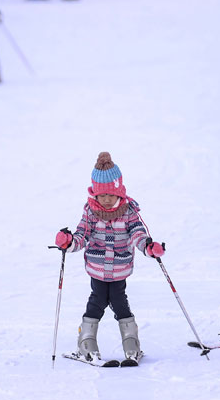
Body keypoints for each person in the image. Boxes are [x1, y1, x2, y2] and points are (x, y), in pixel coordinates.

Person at [54, 152, 165, 363]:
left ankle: (131, 346)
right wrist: (68, 243)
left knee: (120, 303)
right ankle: (87, 345)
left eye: (110, 195)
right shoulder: (90, 212)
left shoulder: (128, 211)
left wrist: (149, 247)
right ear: (95, 194)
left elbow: (137, 233)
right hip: (97, 269)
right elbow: (82, 236)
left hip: (119, 270)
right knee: (96, 302)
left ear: (119, 192)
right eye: (102, 195)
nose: (106, 199)